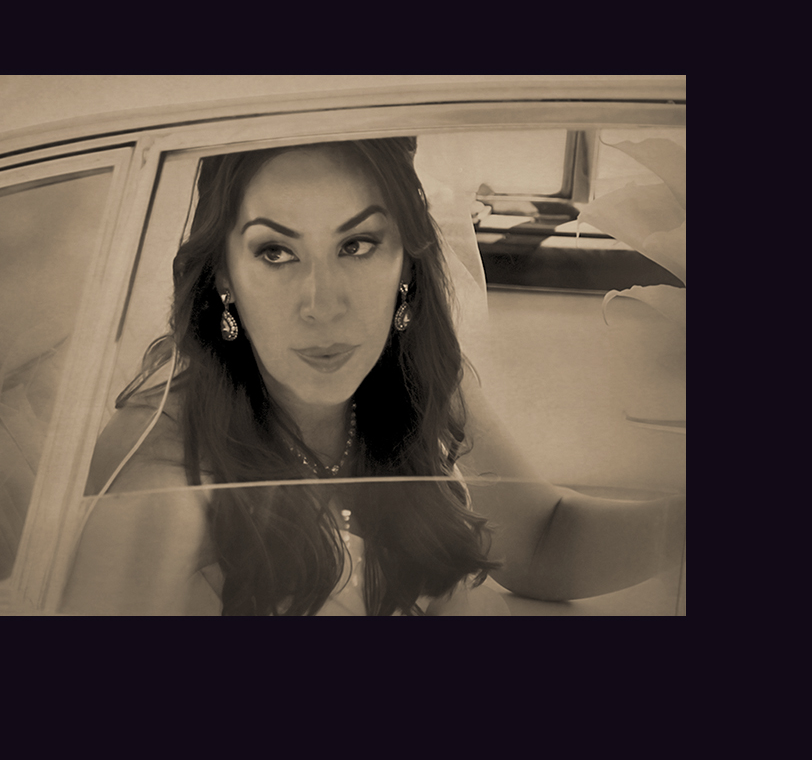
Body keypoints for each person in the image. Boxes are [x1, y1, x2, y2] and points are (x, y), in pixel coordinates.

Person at [62, 137, 684, 616]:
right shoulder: (163, 492)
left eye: (357, 244)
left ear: (405, 264)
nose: (322, 304)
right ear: (224, 276)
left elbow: (545, 540)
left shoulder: (415, 385)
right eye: (276, 251)